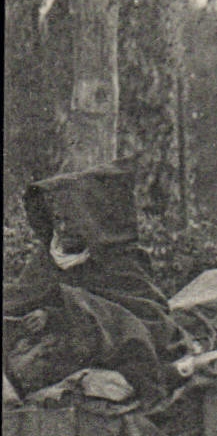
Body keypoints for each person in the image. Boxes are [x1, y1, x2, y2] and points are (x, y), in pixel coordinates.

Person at [3, 163, 182, 400]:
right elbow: (22, 297)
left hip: (105, 352)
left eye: (71, 221)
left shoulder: (120, 262)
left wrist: (54, 314)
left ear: (91, 220)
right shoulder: (45, 258)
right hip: (47, 348)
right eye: (57, 220)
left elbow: (136, 319)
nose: (62, 229)